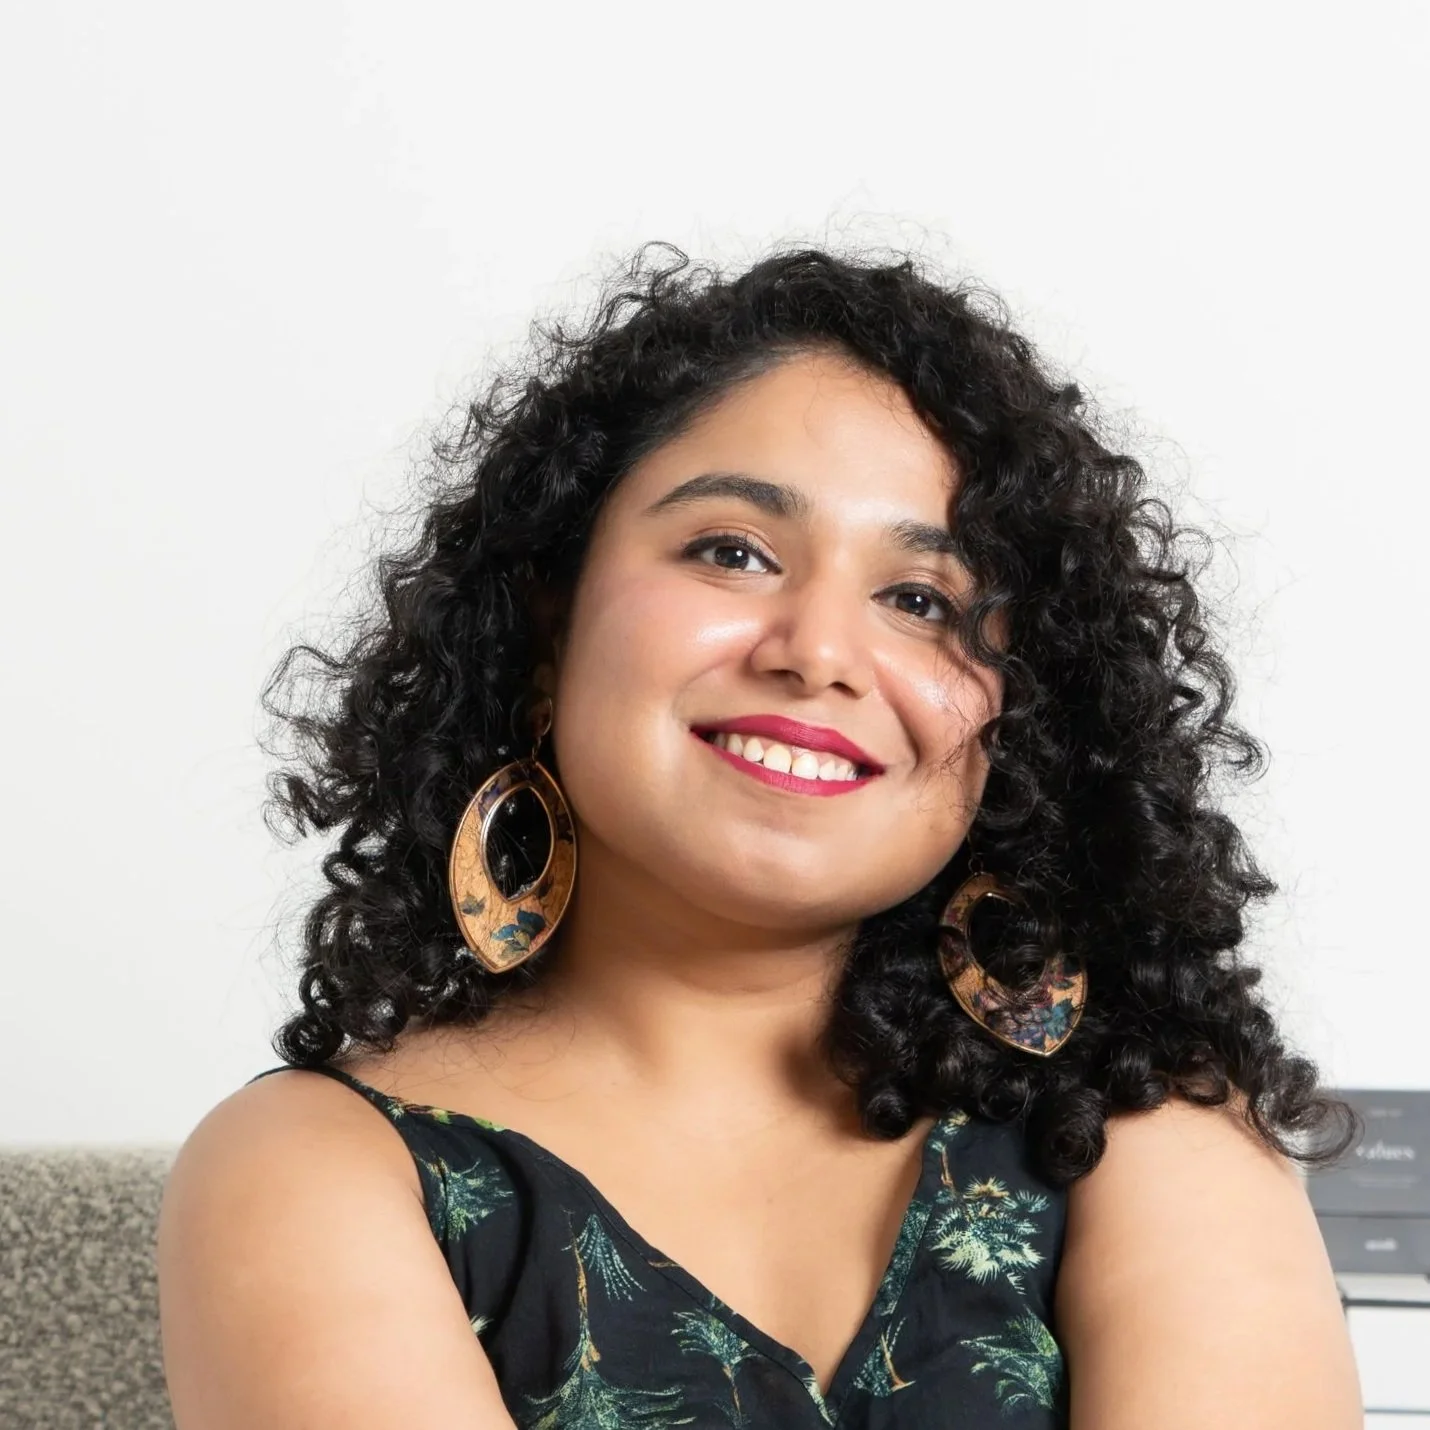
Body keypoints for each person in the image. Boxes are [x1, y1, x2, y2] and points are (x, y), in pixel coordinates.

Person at [156, 242, 1364, 1429]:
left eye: (920, 600)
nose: (818, 650)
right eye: (730, 551)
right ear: (545, 632)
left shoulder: (1140, 1125)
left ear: (1018, 724)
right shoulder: (311, 1168)